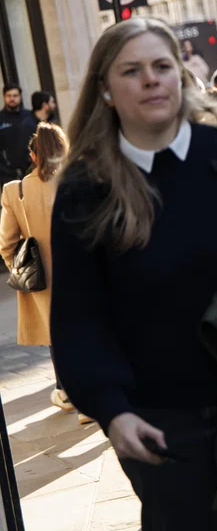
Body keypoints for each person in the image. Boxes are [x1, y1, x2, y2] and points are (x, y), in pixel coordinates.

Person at [48, 17, 217, 529]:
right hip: (159, 421)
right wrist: (111, 410)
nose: (151, 79)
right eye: (132, 70)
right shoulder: (86, 189)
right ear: (105, 89)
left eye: (162, 66)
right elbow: (79, 318)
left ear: (180, 77)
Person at [0, 123, 85, 421]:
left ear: (34, 157)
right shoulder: (79, 182)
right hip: (83, 273)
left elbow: (6, 244)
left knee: (57, 337)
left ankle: (69, 394)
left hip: (45, 280)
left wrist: (23, 270)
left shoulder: (15, 191)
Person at [0, 85, 36, 185]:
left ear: (20, 97)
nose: (12, 98)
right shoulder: (0, 119)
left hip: (32, 171)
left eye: (15, 95)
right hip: (9, 176)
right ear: (4, 97)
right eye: (9, 96)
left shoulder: (30, 116)